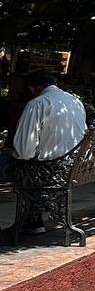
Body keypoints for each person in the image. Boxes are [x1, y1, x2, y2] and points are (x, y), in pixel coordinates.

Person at [4, 71, 88, 234]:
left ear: (33, 89)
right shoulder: (75, 101)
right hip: (73, 165)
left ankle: (32, 219)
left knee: (10, 163)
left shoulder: (37, 103)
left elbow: (24, 151)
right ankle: (32, 220)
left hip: (50, 168)